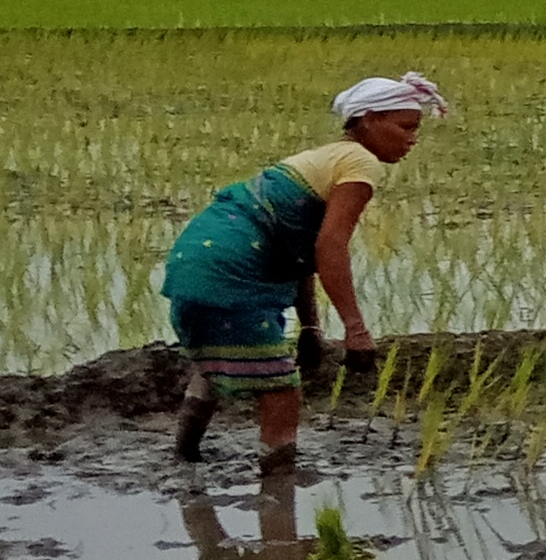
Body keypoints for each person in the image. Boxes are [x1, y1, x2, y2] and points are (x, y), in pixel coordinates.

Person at [160, 73, 446, 468]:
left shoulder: (322, 159)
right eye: (405, 127)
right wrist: (356, 330)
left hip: (194, 261)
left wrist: (311, 329)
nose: (412, 138)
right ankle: (278, 492)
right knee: (281, 390)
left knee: (211, 363)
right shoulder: (358, 162)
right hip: (232, 270)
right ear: (367, 120)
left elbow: (300, 253)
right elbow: (329, 246)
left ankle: (183, 459)